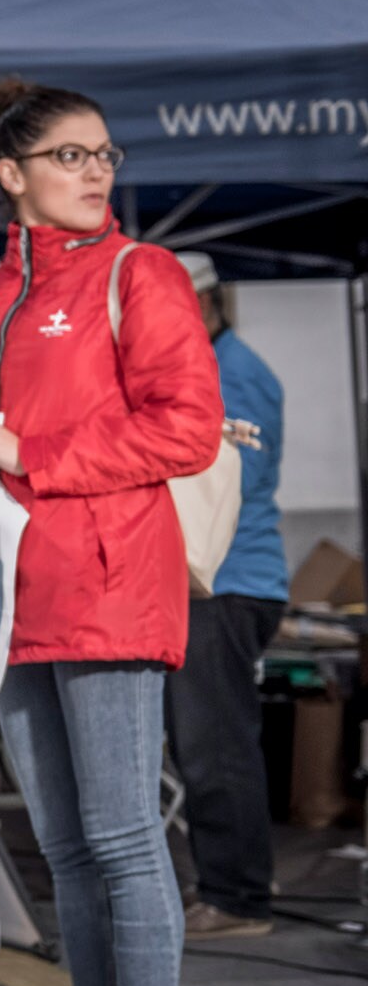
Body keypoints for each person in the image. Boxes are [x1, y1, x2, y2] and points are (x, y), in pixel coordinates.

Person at [0, 78, 221, 986]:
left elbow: (187, 429)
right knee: (61, 845)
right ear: (11, 174)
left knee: (118, 837)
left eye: (101, 154)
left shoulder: (136, 274)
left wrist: (33, 454)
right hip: (15, 596)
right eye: (68, 156)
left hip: (109, 586)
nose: (94, 171)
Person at [162, 254, 289, 941]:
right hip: (218, 580)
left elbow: (228, 472)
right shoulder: (214, 364)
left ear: (204, 306)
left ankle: (237, 896)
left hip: (228, 580)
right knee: (206, 738)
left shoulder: (232, 371)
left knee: (215, 743)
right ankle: (239, 878)